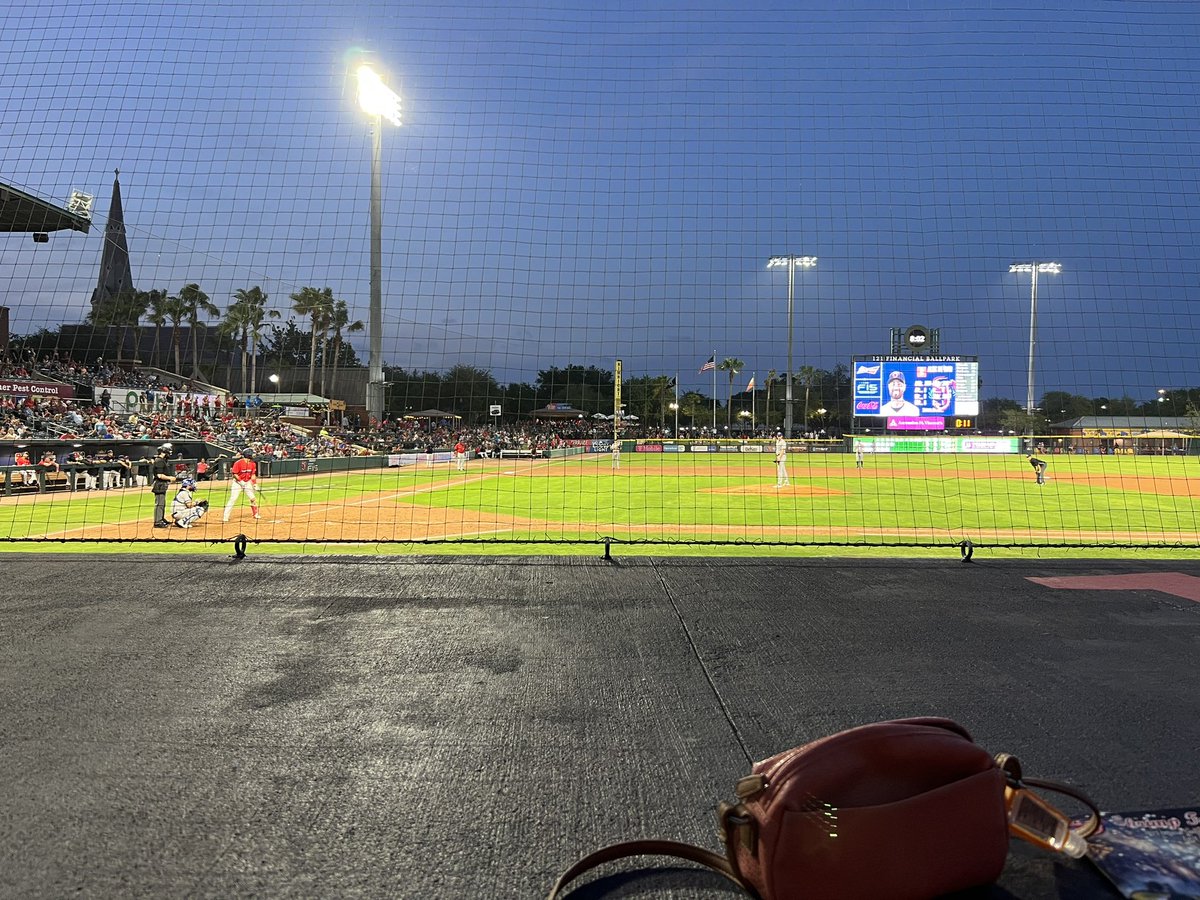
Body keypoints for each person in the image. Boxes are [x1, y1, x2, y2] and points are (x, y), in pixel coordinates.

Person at [223, 448, 261, 522]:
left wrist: (255, 483)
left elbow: (252, 474)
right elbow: (235, 474)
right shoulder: (238, 463)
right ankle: (225, 516)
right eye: (252, 453)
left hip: (247, 482)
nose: (253, 455)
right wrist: (241, 481)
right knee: (233, 499)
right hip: (237, 483)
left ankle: (255, 514)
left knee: (253, 498)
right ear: (248, 455)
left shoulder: (253, 463)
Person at [148, 444, 175, 526]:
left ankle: (161, 518)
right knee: (159, 503)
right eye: (168, 451)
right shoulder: (159, 461)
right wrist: (170, 478)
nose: (169, 453)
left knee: (162, 503)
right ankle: (158, 521)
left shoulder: (162, 460)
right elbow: (159, 475)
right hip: (159, 484)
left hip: (162, 484)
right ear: (164, 452)